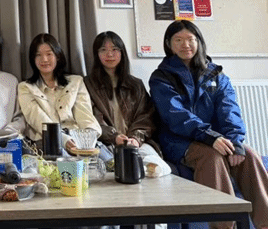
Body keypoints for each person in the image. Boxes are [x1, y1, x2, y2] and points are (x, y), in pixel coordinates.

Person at [149, 20, 268, 229]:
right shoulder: (161, 77)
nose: (185, 45)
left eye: (190, 39)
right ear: (169, 44)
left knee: (249, 154)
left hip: (217, 138)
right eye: (178, 40)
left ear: (199, 42)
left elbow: (229, 110)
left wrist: (235, 141)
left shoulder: (217, 75)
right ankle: (223, 226)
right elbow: (176, 116)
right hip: (180, 142)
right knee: (211, 158)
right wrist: (210, 137)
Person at [84, 31, 170, 177]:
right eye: (103, 50)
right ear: (96, 54)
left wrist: (135, 138)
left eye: (114, 49)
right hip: (105, 144)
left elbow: (146, 116)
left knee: (155, 169)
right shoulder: (88, 84)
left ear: (122, 52)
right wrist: (114, 137)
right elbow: (91, 118)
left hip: (137, 143)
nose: (109, 54)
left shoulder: (135, 85)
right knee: (115, 170)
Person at [18, 33, 101, 154]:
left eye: (49, 54)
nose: (44, 59)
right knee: (65, 159)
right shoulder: (25, 87)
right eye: (38, 55)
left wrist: (88, 139)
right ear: (33, 59)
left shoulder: (76, 82)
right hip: (46, 141)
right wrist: (64, 139)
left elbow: (85, 114)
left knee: (105, 159)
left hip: (78, 139)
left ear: (57, 56)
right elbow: (37, 119)